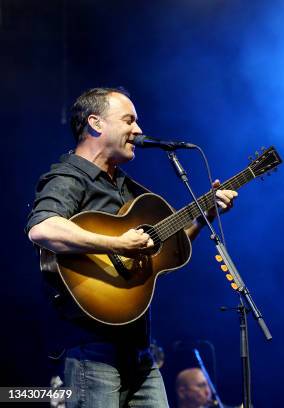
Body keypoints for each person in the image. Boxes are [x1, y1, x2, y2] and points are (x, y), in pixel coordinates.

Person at [25, 87, 238, 407]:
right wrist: (117, 243)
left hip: (139, 351)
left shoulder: (126, 187)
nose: (138, 130)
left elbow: (163, 253)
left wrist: (206, 215)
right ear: (95, 123)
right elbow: (42, 229)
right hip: (91, 349)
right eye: (129, 120)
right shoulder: (68, 176)